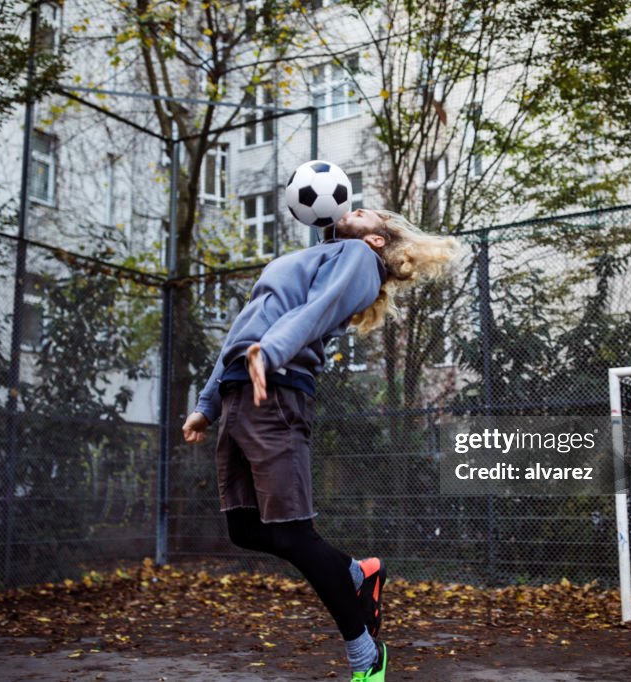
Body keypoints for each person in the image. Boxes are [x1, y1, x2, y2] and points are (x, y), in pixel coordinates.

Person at [182, 208, 461, 682]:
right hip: (238, 389)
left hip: (276, 387)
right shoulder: (313, 256)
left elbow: (316, 313)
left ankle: (365, 656)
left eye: (364, 211)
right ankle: (358, 573)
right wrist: (207, 404)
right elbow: (241, 330)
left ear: (376, 239)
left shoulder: (358, 258)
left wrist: (269, 353)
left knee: (292, 533)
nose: (352, 209)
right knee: (245, 530)